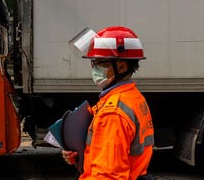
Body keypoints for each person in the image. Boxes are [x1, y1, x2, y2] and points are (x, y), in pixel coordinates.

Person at [62, 26, 155, 180]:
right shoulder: (133, 98)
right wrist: (80, 154)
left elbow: (108, 175)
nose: (94, 68)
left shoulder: (113, 113)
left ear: (121, 66)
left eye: (99, 63)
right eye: (94, 62)